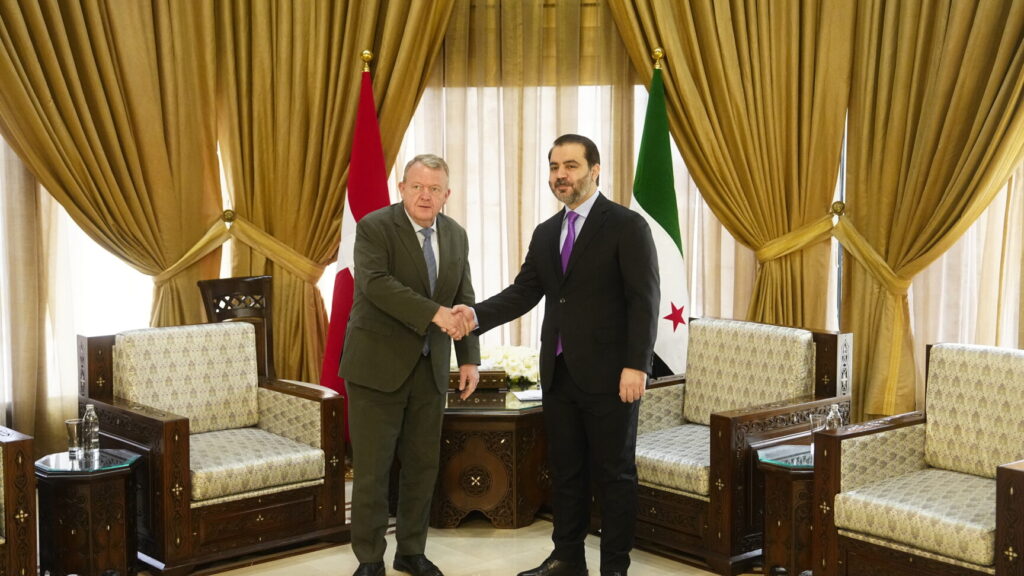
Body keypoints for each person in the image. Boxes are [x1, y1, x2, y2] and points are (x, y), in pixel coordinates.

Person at [454, 134, 659, 576]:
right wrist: (473, 316)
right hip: (560, 375)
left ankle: (615, 568)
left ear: (595, 170)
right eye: (553, 167)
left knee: (614, 476)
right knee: (565, 473)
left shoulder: (626, 225)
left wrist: (636, 365)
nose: (560, 175)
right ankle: (567, 558)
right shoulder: (547, 232)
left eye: (570, 165)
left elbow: (644, 300)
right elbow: (524, 293)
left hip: (612, 377)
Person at [340, 154, 480, 576]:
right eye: (417, 186)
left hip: (430, 372)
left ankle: (411, 552)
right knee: (372, 472)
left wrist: (469, 359)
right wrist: (435, 314)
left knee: (422, 468)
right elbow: (377, 285)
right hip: (375, 371)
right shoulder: (375, 227)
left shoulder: (456, 235)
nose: (425, 195)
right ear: (401, 188)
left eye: (434, 188)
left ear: (446, 195)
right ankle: (368, 558)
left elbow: (465, 299)